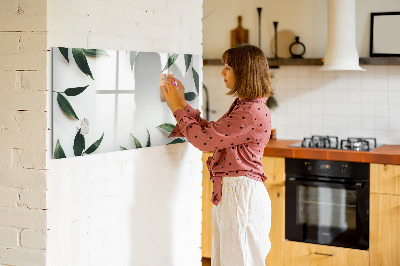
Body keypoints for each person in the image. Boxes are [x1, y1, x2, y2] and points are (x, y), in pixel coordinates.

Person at [161, 44, 273, 266]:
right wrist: (182, 103)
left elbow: (204, 141)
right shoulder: (246, 106)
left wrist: (176, 108)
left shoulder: (250, 111)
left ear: (244, 72)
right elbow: (212, 133)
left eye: (228, 67)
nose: (222, 72)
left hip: (241, 195)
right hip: (236, 193)